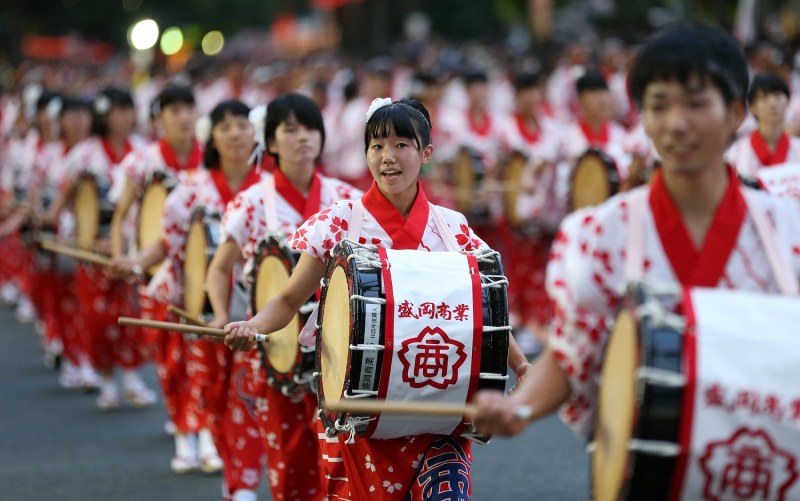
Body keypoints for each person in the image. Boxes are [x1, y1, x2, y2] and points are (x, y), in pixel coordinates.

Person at [471, 22, 800, 460]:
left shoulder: (787, 228)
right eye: (659, 105)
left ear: (736, 113)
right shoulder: (601, 234)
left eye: (696, 103)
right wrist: (518, 406)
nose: (675, 124)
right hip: (643, 469)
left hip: (758, 463)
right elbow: (574, 355)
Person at [224, 97, 529, 500]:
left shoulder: (451, 230)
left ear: (426, 153)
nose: (388, 157)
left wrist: (522, 366)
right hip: (358, 412)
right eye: (377, 146)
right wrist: (254, 326)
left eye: (402, 144)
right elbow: (287, 299)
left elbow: (481, 315)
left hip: (435, 411)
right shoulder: (339, 223)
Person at [209, 92, 359, 500]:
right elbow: (220, 267)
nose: (303, 138)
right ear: (271, 143)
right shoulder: (251, 203)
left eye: (311, 128)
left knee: (340, 454)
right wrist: (223, 313)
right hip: (276, 341)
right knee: (288, 454)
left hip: (337, 345)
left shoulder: (347, 199)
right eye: (289, 130)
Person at [115, 100, 260, 481]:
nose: (234, 133)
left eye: (242, 125)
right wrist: (135, 261)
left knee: (240, 382)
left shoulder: (266, 189)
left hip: (251, 303)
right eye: (225, 126)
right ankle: (189, 438)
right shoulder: (189, 189)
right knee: (188, 371)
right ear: (211, 135)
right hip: (191, 296)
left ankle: (218, 442)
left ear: (256, 133)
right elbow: (166, 242)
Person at [44, 93, 156, 411]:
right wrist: (58, 219)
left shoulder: (144, 152)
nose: (124, 117)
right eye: (117, 111)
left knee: (132, 313)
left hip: (133, 246)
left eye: (128, 110)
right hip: (90, 246)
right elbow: (67, 195)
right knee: (95, 316)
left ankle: (133, 379)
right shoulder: (85, 154)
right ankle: (107, 380)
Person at [725, 72, 800, 179]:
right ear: (752, 107)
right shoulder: (735, 154)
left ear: (788, 101)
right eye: (764, 98)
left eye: (778, 96)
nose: (773, 103)